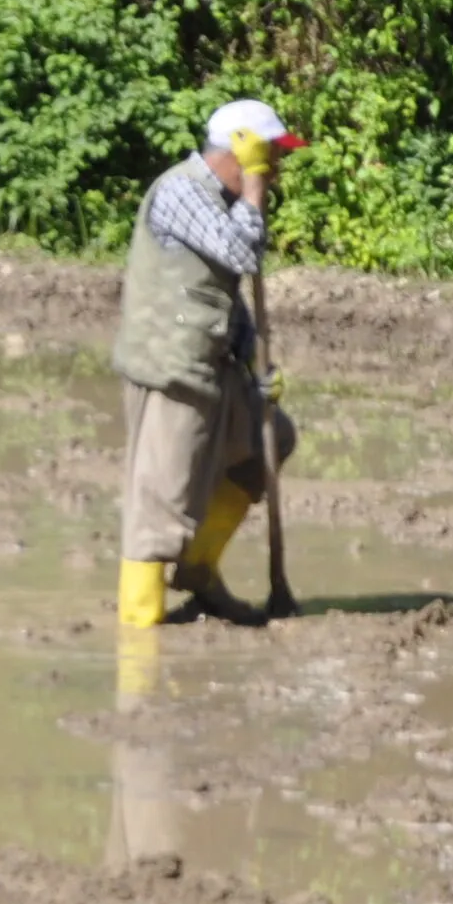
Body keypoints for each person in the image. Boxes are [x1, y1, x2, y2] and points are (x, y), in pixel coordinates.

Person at [114, 98, 303, 628]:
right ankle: (139, 627)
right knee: (161, 509)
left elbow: (221, 291)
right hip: (172, 372)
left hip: (213, 367)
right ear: (243, 152)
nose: (279, 169)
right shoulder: (183, 190)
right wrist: (256, 185)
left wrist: (252, 372)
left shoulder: (221, 199)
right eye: (272, 156)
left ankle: (198, 572)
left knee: (269, 445)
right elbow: (244, 253)